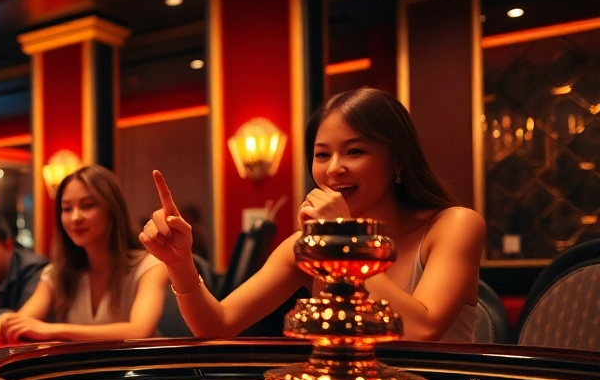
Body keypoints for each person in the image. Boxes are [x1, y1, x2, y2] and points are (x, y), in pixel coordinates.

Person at [140, 86, 484, 342]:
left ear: (398, 160)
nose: (334, 169)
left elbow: (422, 330)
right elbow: (217, 324)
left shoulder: (454, 226)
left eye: (355, 151)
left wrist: (344, 238)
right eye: (322, 155)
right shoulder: (306, 245)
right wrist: (179, 263)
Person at [0, 165, 168, 343]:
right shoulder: (57, 273)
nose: (75, 217)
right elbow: (24, 321)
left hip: (139, 369)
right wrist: (5, 323)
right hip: (82, 371)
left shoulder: (150, 266)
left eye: (87, 206)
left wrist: (53, 330)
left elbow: (139, 330)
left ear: (113, 211)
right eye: (67, 209)